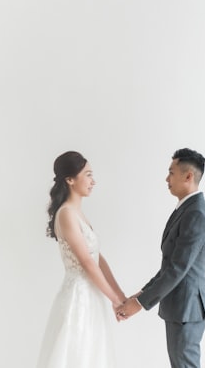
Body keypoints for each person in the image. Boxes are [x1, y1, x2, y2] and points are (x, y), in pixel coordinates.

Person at [116, 148, 205, 368]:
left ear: (188, 176)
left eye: (171, 172)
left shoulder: (196, 213)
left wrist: (140, 303)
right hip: (180, 308)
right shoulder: (187, 209)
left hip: (187, 309)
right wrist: (141, 294)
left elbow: (177, 269)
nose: (166, 178)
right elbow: (171, 265)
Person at [36, 151, 126, 368]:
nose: (93, 181)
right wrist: (114, 299)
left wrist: (120, 295)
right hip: (79, 296)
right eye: (87, 175)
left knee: (93, 354)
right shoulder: (66, 213)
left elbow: (98, 258)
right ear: (70, 179)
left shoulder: (78, 213)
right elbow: (86, 262)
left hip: (92, 293)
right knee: (79, 354)